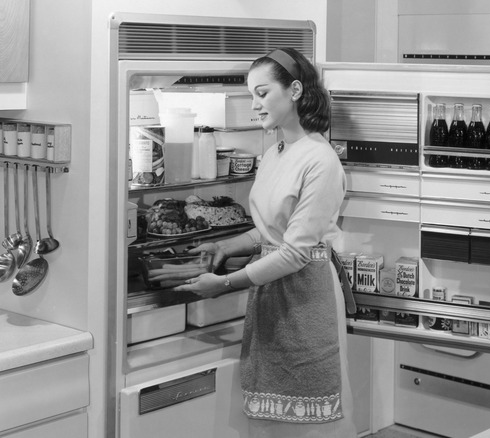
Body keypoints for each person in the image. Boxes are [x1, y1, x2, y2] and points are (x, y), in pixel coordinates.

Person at [149, 47, 357, 437]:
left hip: (305, 293)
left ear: (295, 90)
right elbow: (273, 230)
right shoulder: (277, 150)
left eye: (262, 94)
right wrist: (227, 246)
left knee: (308, 421)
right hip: (272, 290)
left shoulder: (320, 160)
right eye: (251, 96)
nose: (254, 105)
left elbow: (295, 251)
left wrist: (226, 283)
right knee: (271, 420)